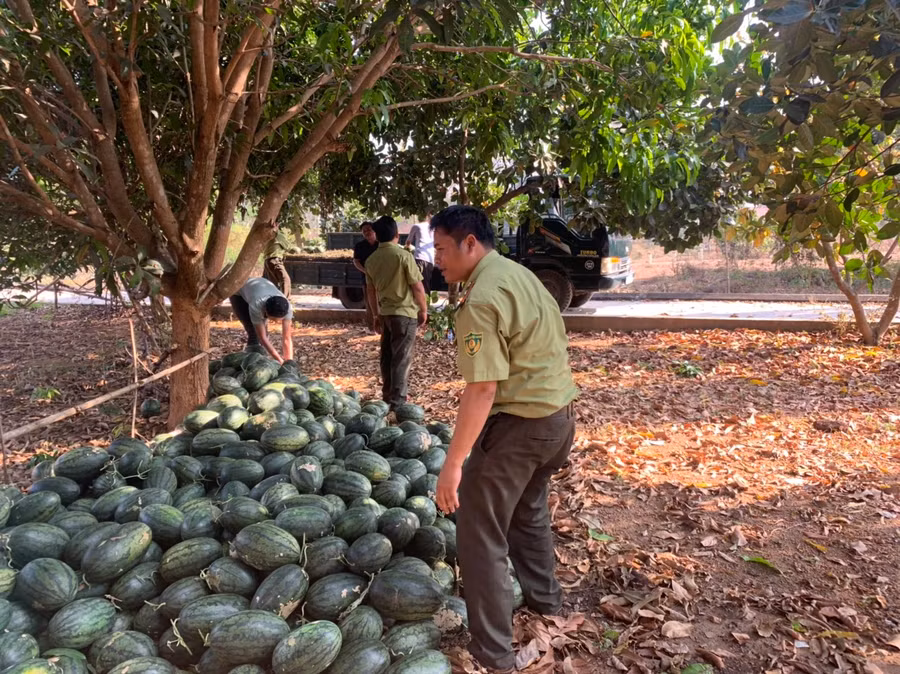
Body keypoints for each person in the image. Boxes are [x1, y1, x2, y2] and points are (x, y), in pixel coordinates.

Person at [431, 205, 578, 674]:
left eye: (441, 248)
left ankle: (493, 653)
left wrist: (453, 464)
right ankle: (546, 601)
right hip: (559, 419)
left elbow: (482, 388)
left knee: (479, 532)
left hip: (520, 427)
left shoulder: (481, 299)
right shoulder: (520, 275)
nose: (437, 259)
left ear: (470, 244)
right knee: (528, 511)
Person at [364, 215, 428, 410]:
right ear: (397, 235)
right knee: (401, 358)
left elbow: (371, 291)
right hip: (405, 314)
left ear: (377, 236)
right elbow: (417, 287)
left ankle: (387, 397)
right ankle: (398, 402)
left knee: (387, 356)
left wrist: (376, 315)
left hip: (385, 314)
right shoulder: (404, 256)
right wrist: (424, 310)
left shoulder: (371, 260)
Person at [229, 277, 294, 364]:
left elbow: (287, 338)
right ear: (266, 312)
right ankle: (250, 363)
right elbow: (262, 338)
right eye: (273, 319)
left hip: (259, 288)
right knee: (254, 333)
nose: (277, 322)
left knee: (263, 334)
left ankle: (261, 359)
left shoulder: (288, 308)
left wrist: (289, 362)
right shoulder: (256, 306)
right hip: (238, 292)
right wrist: (280, 360)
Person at [352, 221, 379, 330]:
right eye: (364, 231)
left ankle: (383, 326)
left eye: (369, 229)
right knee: (370, 303)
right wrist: (365, 271)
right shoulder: (359, 246)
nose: (367, 232)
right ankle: (372, 327)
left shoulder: (381, 244)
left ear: (374, 230)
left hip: (382, 279)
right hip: (367, 279)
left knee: (383, 303)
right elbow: (356, 261)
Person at [263, 222, 298, 297]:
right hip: (275, 260)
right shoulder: (278, 235)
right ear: (276, 225)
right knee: (285, 279)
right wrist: (299, 250)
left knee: (273, 283)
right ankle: (285, 299)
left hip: (267, 261)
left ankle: (274, 299)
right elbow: (290, 248)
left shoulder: (266, 237)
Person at [406, 214, 435, 293]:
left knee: (417, 284)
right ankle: (427, 299)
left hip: (420, 258)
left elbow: (408, 242)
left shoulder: (416, 226)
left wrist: (407, 248)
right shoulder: (433, 228)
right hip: (430, 260)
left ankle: (421, 300)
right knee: (426, 283)